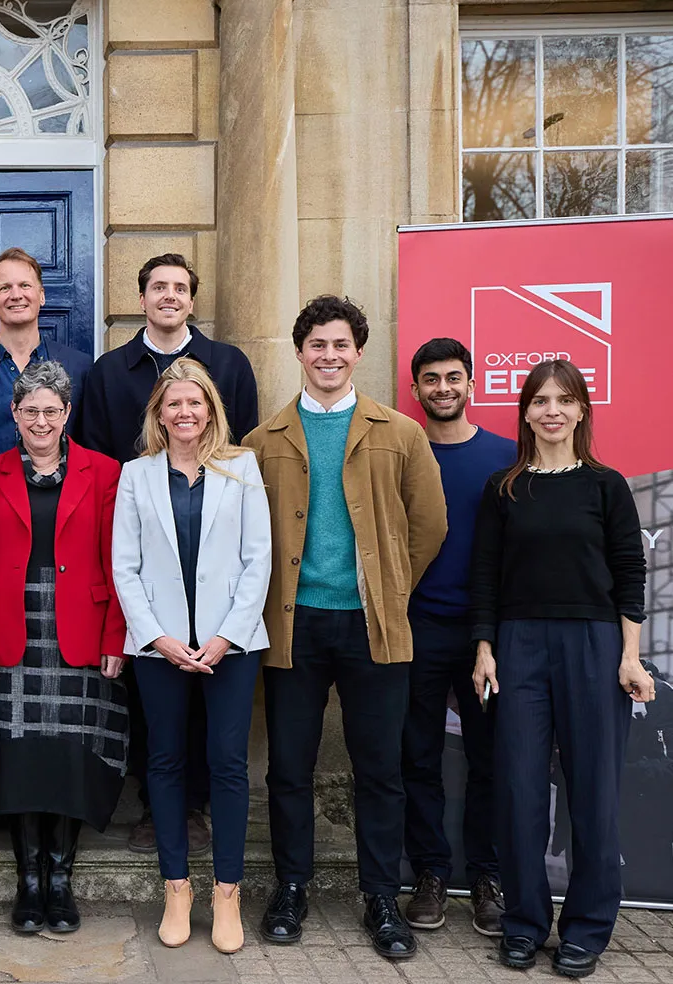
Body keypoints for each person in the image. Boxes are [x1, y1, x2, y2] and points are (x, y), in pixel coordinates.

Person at [244, 296, 446, 959]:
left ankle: (381, 896)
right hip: (294, 629)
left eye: (341, 345)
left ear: (359, 353)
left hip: (373, 629)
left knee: (381, 768)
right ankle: (292, 888)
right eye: (317, 345)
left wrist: (388, 588)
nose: (328, 356)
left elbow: (429, 524)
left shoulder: (400, 432)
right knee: (289, 769)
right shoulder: (263, 441)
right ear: (299, 353)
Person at [471, 359, 654, 979]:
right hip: (519, 643)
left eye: (564, 400)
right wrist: (485, 646)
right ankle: (524, 923)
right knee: (520, 789)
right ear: (525, 412)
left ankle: (587, 928)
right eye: (540, 400)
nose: (551, 410)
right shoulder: (505, 488)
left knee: (594, 793)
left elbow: (631, 574)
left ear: (581, 410)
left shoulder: (607, 486)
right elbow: (486, 578)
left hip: (595, 645)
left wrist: (629, 656)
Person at [76, 252, 261, 859]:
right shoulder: (108, 373)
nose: (169, 296)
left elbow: (243, 450)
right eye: (158, 287)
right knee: (153, 709)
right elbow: (103, 464)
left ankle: (201, 806)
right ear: (142, 296)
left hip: (217, 564)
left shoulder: (229, 365)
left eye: (180, 288)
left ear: (192, 297)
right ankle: (157, 808)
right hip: (141, 541)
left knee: (216, 719)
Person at [0, 361, 127, 937]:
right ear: (14, 413)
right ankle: (28, 880)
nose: (40, 420)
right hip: (11, 627)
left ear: (67, 413)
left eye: (51, 410)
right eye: (29, 410)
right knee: (23, 754)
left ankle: (62, 878)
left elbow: (117, 562)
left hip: (79, 626)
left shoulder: (104, 472)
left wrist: (115, 639)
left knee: (69, 756)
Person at [111, 358, 271, 954]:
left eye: (195, 403)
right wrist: (156, 637)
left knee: (228, 763)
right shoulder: (136, 475)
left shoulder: (242, 467)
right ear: (159, 412)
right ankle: (176, 888)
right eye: (173, 403)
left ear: (211, 410)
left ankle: (225, 891)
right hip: (162, 647)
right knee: (166, 762)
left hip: (233, 644)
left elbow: (260, 559)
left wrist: (227, 636)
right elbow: (124, 566)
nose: (185, 412)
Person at [401, 338, 514, 937]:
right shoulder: (402, 453)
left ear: (471, 384)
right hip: (416, 628)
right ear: (416, 389)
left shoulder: (506, 457)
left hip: (486, 635)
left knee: (489, 758)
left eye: (452, 378)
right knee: (417, 756)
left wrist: (490, 634)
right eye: (430, 380)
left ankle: (488, 878)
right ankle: (429, 874)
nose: (442, 388)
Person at [0, 247, 92, 477]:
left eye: (25, 285)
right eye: (4, 288)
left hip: (59, 505)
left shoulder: (78, 366)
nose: (16, 295)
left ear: (41, 295)